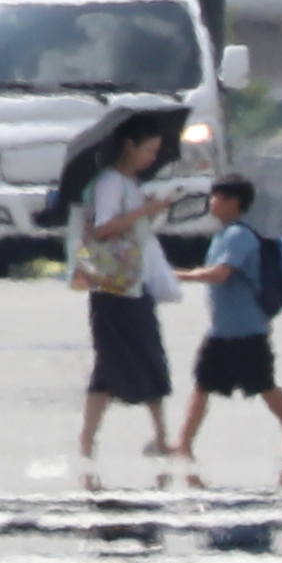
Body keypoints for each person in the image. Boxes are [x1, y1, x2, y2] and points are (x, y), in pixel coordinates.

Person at [173, 173, 282, 484]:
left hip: (247, 329)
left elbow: (220, 274)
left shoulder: (237, 237)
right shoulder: (222, 235)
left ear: (233, 203)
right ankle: (183, 443)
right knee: (202, 385)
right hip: (221, 331)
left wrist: (178, 276)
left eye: (217, 197)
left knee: (264, 386)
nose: (211, 203)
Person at [77, 113, 178, 486]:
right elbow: (103, 228)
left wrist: (145, 211)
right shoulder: (109, 183)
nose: (152, 157)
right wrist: (143, 212)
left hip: (134, 283)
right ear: (128, 146)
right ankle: (88, 441)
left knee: (148, 354)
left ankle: (161, 435)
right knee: (112, 363)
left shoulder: (129, 183)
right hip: (113, 286)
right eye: (148, 150)